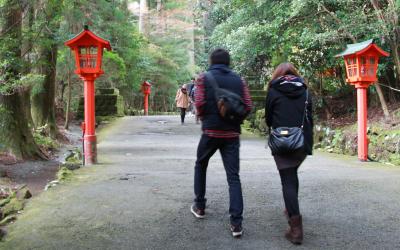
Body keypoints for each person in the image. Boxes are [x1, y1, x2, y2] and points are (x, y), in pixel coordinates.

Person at [190, 48, 252, 238]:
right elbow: (247, 105)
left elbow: (199, 102)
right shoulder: (239, 80)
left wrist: (204, 118)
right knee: (233, 177)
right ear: (228, 61)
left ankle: (200, 206)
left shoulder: (203, 78)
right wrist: (235, 119)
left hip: (210, 132)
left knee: (201, 165)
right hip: (231, 134)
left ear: (211, 60)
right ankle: (236, 223)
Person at [265, 63, 313, 245]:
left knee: (288, 181)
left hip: (282, 141)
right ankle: (290, 209)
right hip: (301, 142)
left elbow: (268, 119)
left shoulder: (273, 91)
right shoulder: (305, 91)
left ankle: (296, 230)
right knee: (292, 177)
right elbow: (310, 116)